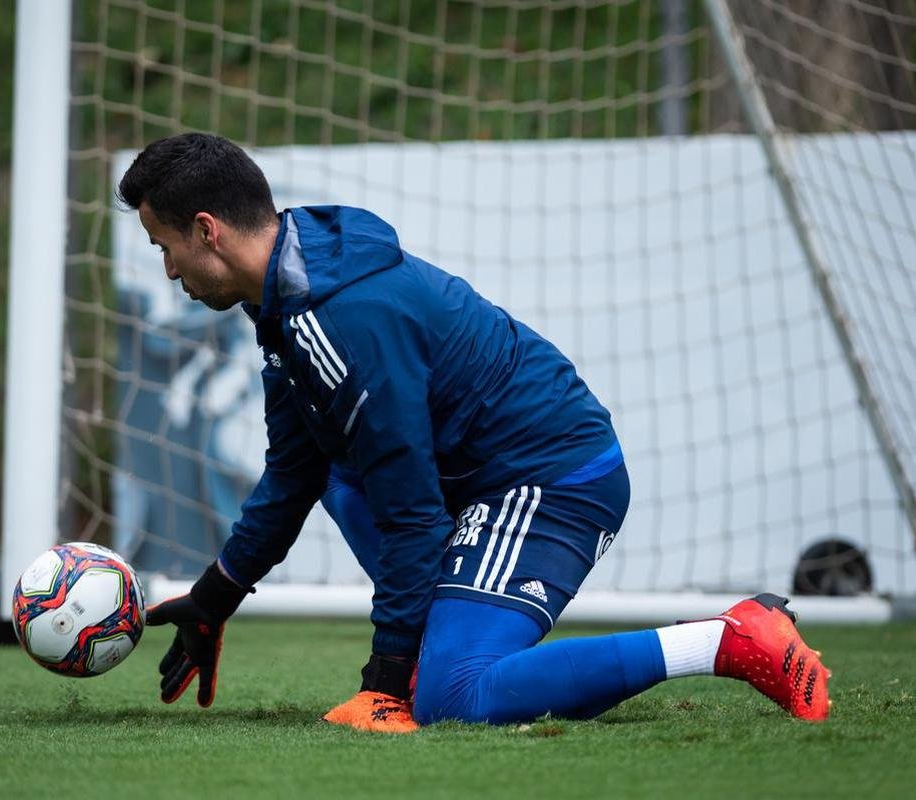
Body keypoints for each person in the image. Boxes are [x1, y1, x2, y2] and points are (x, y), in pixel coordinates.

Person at [118, 132, 831, 733]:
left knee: (454, 696)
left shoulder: (343, 317)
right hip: (476, 479)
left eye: (163, 246)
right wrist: (215, 597)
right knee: (331, 468)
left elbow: (410, 509)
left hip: (549, 478)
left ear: (206, 230)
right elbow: (296, 470)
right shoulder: (286, 297)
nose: (168, 269)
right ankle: (436, 653)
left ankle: (727, 640)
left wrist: (384, 682)